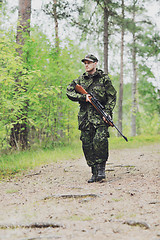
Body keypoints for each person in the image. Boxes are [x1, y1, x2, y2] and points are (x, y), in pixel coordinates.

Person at [66, 54, 117, 183]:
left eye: (89, 62)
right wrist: (84, 98)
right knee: (87, 144)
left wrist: (107, 112)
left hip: (100, 117)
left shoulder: (104, 79)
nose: (86, 65)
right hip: (85, 118)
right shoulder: (80, 80)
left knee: (100, 142)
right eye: (85, 63)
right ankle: (94, 172)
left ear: (95, 63)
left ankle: (101, 171)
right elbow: (69, 92)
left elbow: (112, 96)